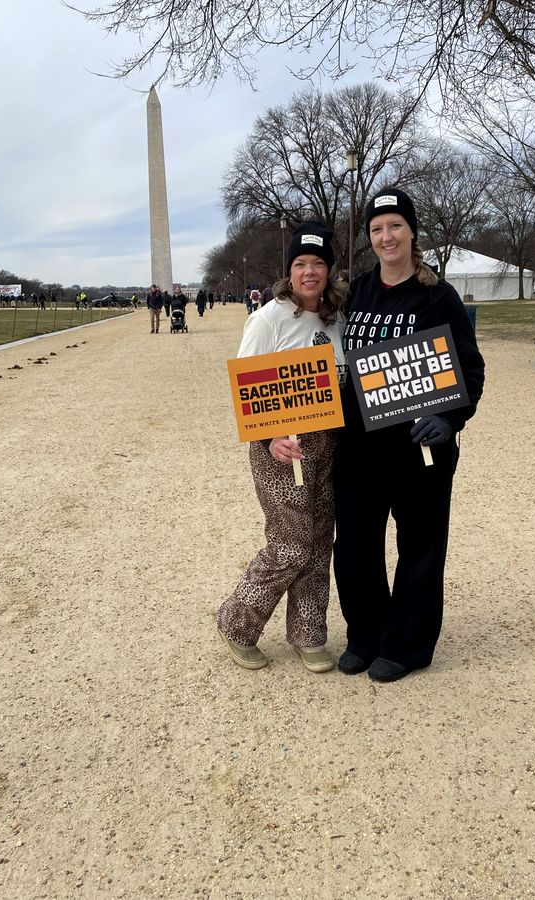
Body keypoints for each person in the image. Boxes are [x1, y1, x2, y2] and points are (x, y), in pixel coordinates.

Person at [333, 187, 485, 683]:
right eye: (377, 229)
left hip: (419, 448)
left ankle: (408, 644)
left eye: (394, 226)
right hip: (359, 447)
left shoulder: (438, 295)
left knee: (419, 547)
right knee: (355, 546)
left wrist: (451, 419)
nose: (385, 236)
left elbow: (470, 367)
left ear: (412, 231)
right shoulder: (356, 292)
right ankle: (367, 635)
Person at [217, 221, 348, 674]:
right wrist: (267, 435)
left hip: (328, 445)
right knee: (290, 543)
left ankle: (308, 632)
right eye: (300, 264)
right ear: (289, 272)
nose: (309, 271)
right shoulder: (269, 317)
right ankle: (237, 622)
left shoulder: (337, 317)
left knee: (317, 545)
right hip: (281, 447)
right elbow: (245, 383)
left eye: (317, 263)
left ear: (329, 270)